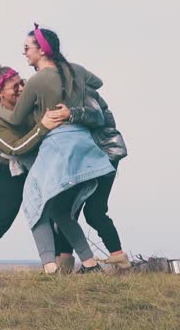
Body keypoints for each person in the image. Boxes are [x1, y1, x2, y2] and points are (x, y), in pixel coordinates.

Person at [0, 25, 113, 274]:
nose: (24, 53)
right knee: (60, 209)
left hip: (57, 147)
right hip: (85, 146)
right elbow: (97, 83)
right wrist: (72, 94)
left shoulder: (37, 81)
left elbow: (15, 120)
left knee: (33, 201)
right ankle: (90, 265)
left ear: (42, 51)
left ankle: (49, 267)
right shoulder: (75, 70)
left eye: (27, 48)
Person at [0, 64, 103, 270]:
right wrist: (43, 126)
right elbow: (16, 148)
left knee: (59, 211)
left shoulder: (30, 105)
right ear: (0, 92)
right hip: (4, 172)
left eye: (21, 83)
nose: (21, 89)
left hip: (35, 167)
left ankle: (85, 265)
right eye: (14, 87)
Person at [54, 82, 129, 270]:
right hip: (85, 157)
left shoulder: (80, 90)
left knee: (94, 211)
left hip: (104, 154)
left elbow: (98, 117)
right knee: (68, 210)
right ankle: (65, 264)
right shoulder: (58, 91)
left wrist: (70, 114)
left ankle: (120, 259)